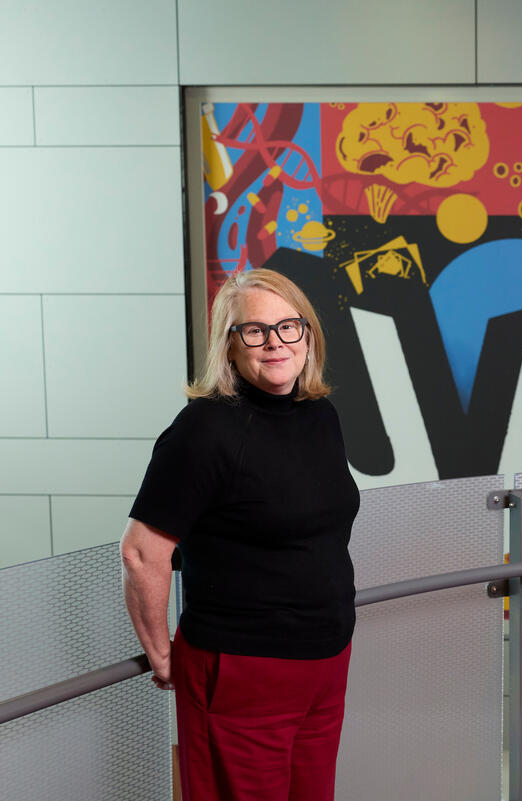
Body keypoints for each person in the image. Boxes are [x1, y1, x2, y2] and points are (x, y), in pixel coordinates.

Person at [120, 268, 360, 801]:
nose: (275, 342)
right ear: (228, 348)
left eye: (288, 327)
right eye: (254, 331)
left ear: (308, 334)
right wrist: (162, 653)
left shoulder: (320, 415)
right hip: (244, 673)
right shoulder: (204, 430)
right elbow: (141, 553)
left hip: (325, 663)